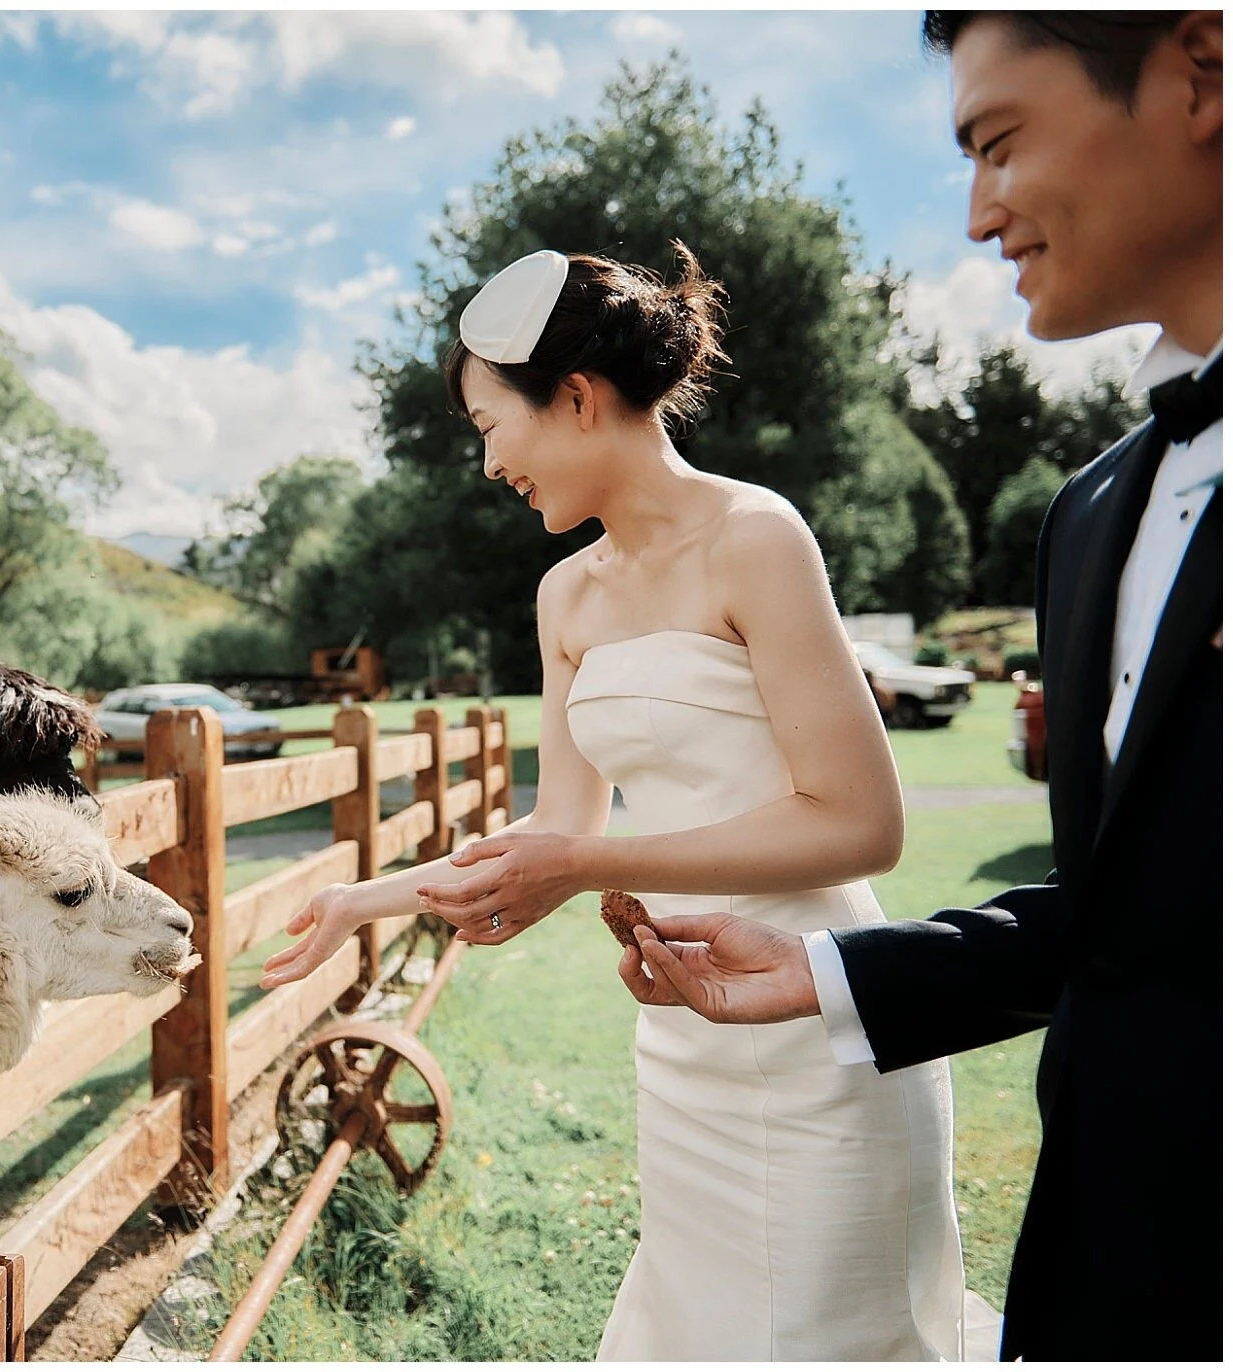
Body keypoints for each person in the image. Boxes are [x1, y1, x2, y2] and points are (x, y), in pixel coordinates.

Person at [615, 11, 1221, 1361]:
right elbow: (1132, 921)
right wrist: (831, 972)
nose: (975, 215)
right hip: (1113, 1286)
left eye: (998, 145)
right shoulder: (1095, 509)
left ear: (1202, 70)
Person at [259, 242, 967, 1359]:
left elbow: (858, 822)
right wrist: (366, 897)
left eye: (492, 426)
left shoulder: (755, 537)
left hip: (816, 1017)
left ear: (576, 398)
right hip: (681, 1043)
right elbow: (559, 836)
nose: (488, 464)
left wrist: (594, 869)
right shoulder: (562, 598)